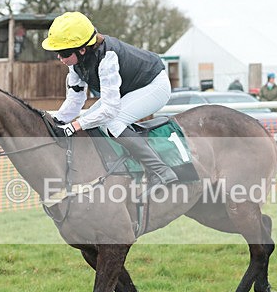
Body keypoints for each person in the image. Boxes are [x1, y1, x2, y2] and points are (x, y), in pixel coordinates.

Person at [41, 11, 178, 192]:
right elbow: (75, 101)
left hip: (154, 85)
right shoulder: (76, 63)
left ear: (82, 49)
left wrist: (74, 126)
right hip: (129, 88)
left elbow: (110, 109)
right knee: (91, 121)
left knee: (112, 121)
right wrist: (57, 121)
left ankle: (161, 171)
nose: (59, 57)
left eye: (63, 53)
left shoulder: (107, 58)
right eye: (56, 52)